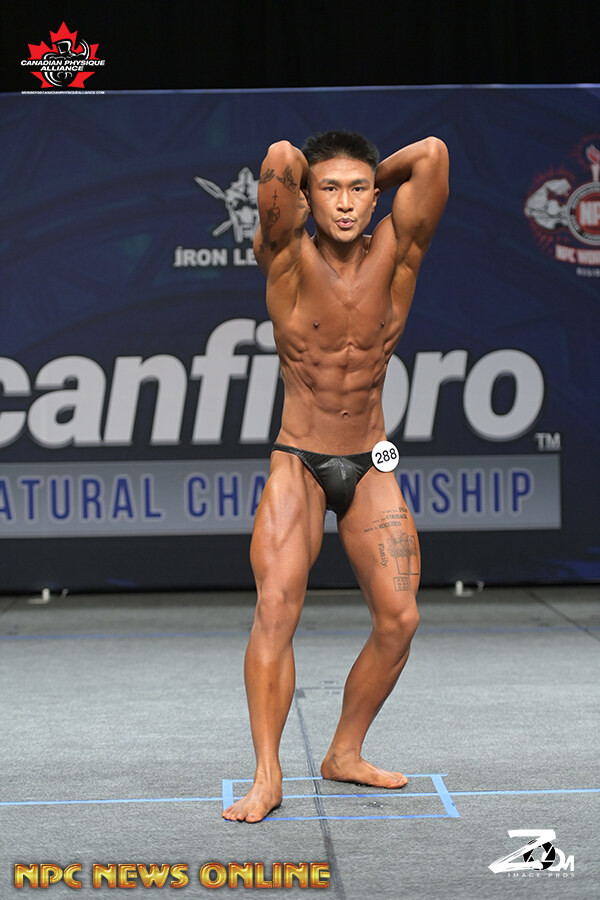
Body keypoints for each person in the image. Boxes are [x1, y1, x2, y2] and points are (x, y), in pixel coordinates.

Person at [222, 129, 449, 823]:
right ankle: (267, 776)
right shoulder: (285, 255)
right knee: (275, 610)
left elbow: (433, 154)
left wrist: (373, 176)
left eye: (358, 190)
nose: (345, 203)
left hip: (370, 460)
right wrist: (306, 178)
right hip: (300, 460)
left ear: (376, 196)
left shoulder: (398, 251)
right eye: (330, 189)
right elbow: (279, 156)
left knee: (400, 620)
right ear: (307, 198)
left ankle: (344, 752)